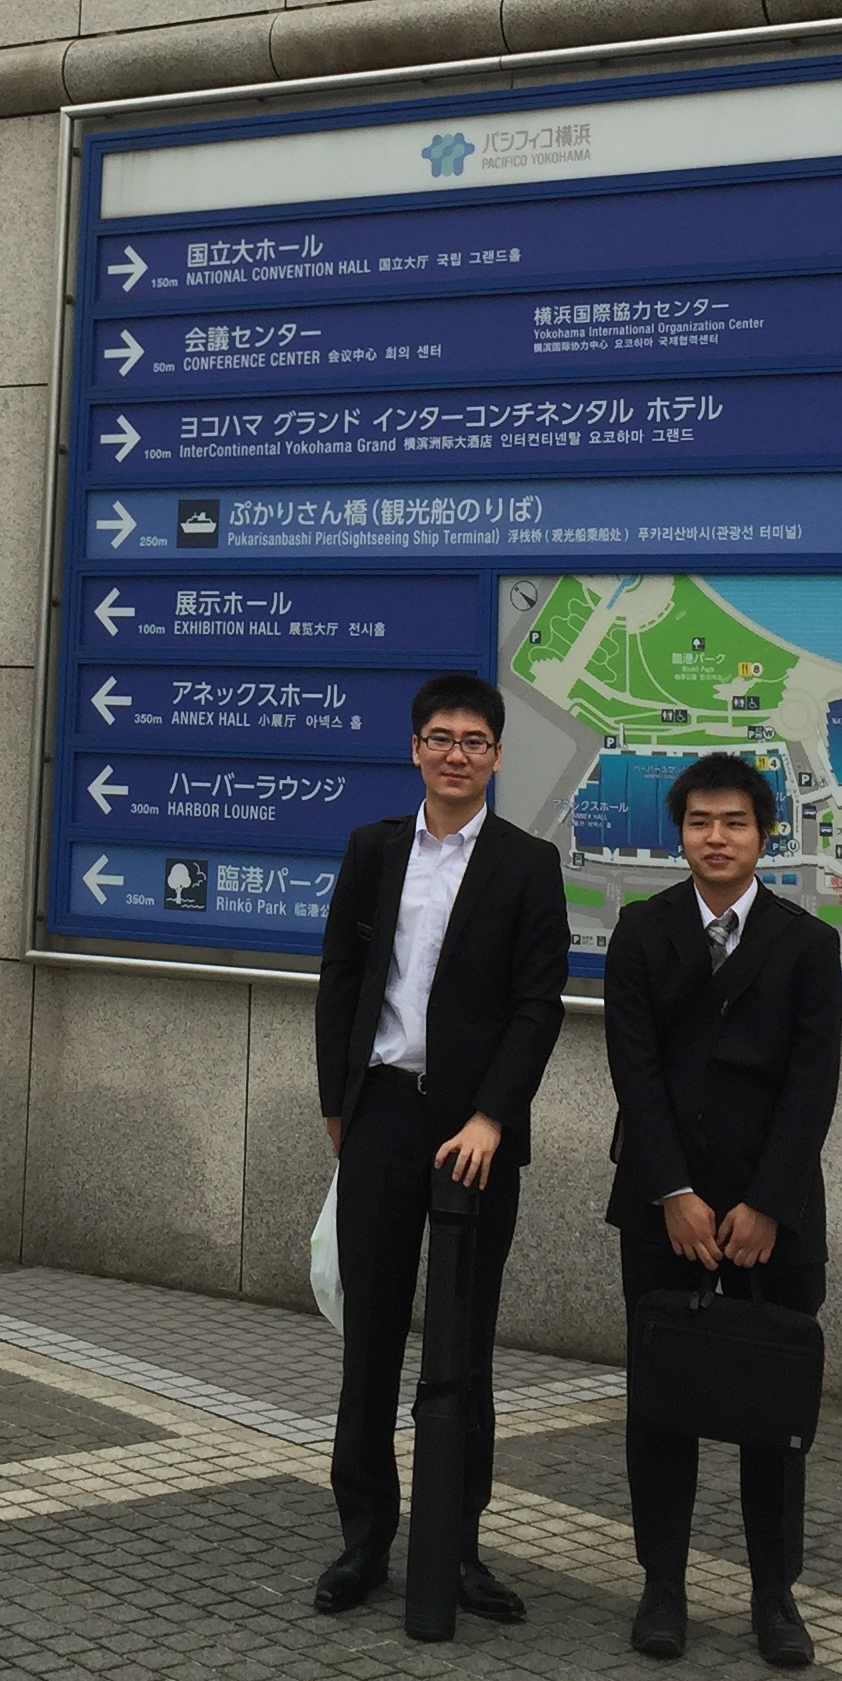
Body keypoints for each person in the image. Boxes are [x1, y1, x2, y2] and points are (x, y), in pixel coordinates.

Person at [312, 671, 568, 1621]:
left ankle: (457, 1547)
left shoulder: (527, 864)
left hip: (475, 1136)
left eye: (474, 741)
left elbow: (538, 1005)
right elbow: (341, 975)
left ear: (497, 756)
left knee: (463, 1346)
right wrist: (338, 1100)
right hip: (381, 1116)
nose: (456, 754)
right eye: (440, 738)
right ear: (415, 748)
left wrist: (493, 1115)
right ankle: (365, 1541)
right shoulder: (374, 849)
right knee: (371, 1342)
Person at [602, 749, 842, 1669]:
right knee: (661, 1403)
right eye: (700, 822)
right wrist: (674, 1193)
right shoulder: (642, 931)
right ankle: (662, 1586)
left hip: (771, 1215)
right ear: (680, 834)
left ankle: (774, 1594)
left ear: (764, 836)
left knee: (772, 1407)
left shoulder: (806, 944)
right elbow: (634, 1070)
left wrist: (767, 1204)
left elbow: (813, 1085)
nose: (716, 838)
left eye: (734, 822)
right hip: (664, 1208)